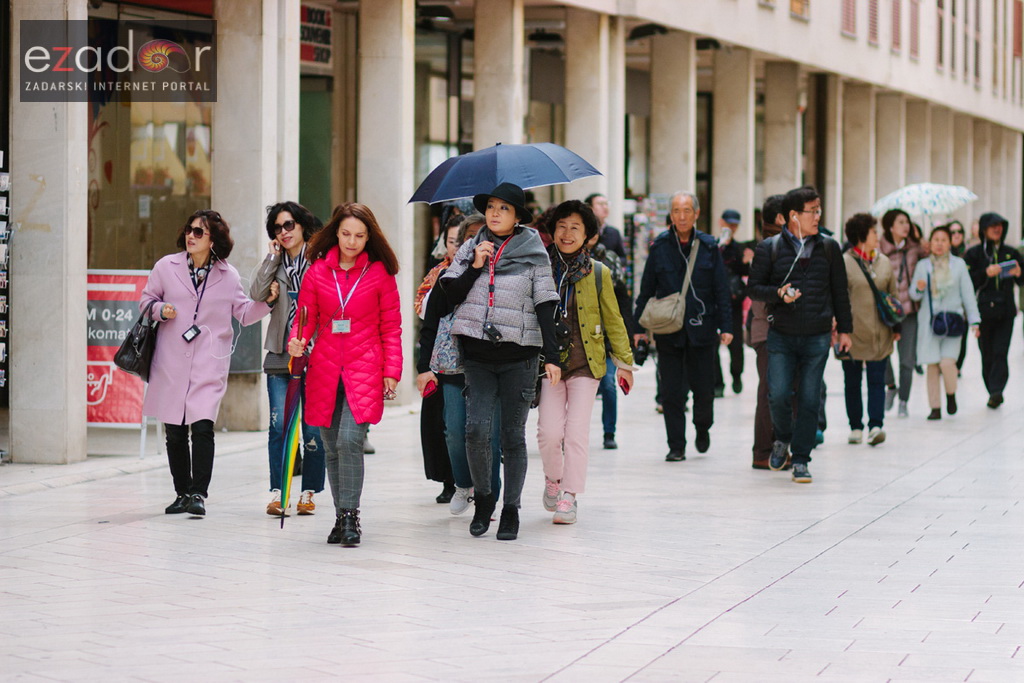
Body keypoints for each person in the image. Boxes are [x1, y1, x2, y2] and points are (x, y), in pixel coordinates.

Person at [439, 182, 559, 541]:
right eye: (491, 206)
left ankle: (511, 509)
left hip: (519, 354)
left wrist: (551, 356)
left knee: (511, 437)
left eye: (504, 208)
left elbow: (546, 302)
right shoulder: (473, 245)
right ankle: (485, 500)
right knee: (475, 430)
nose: (494, 213)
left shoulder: (535, 250)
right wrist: (476, 265)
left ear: (518, 216)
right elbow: (450, 294)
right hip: (477, 353)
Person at [141, 210, 272, 516]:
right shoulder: (166, 267)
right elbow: (146, 302)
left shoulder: (228, 276)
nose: (191, 236)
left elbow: (244, 313)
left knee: (202, 426)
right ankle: (181, 493)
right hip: (171, 359)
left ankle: (198, 493)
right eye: (190, 230)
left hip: (208, 361)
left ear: (214, 239)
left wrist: (268, 303)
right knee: (174, 430)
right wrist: (162, 310)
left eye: (199, 232)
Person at [288, 203, 402, 547]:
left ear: (370, 237)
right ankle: (341, 517)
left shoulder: (380, 273)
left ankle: (350, 515)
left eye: (360, 235)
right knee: (330, 446)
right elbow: (305, 318)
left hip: (364, 367)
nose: (352, 241)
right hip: (324, 368)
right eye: (347, 234)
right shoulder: (317, 272)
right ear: (336, 233)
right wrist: (298, 340)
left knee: (349, 440)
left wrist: (392, 372)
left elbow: (391, 327)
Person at [747, 186, 852, 484]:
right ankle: (782, 438)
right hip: (780, 334)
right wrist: (778, 293)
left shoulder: (829, 248)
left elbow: (839, 293)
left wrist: (845, 330)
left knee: (808, 399)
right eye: (812, 211)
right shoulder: (770, 248)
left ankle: (802, 459)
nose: (818, 216)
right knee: (777, 394)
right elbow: (753, 288)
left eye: (819, 210)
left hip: (817, 337)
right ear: (794, 216)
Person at [537, 200, 634, 525]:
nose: (567, 234)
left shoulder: (598, 273)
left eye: (575, 228)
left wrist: (625, 363)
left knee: (576, 433)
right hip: (549, 366)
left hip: (586, 364)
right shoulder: (539, 268)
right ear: (551, 232)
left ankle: (569, 496)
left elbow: (614, 319)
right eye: (561, 226)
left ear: (589, 236)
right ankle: (554, 478)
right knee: (550, 434)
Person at [634, 191, 733, 462]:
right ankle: (676, 445)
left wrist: (726, 326)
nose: (681, 215)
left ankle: (703, 427)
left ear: (697, 214)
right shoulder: (660, 246)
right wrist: (638, 327)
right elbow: (646, 289)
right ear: (671, 215)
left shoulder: (709, 246)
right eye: (677, 210)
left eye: (687, 210)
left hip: (702, 329)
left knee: (704, 390)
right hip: (669, 331)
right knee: (671, 392)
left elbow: (721, 290)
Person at [416, 213, 503, 515]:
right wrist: (422, 367)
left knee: (486, 434)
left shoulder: (504, 273)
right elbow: (430, 323)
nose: (479, 243)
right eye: (471, 237)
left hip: (490, 364)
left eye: (485, 236)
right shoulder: (447, 276)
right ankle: (462, 483)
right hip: (452, 364)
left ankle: (488, 495)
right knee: (453, 430)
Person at [250, 201, 325, 516]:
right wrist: (271, 258)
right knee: (279, 425)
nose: (284, 232)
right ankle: (279, 492)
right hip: (281, 354)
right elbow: (255, 293)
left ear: (302, 226)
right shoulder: (276, 263)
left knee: (312, 428)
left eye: (289, 225)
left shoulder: (321, 260)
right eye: (278, 228)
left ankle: (308, 492)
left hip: (317, 354)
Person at [910, 225, 981, 419]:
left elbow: (968, 294)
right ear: (930, 243)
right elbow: (913, 295)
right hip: (930, 323)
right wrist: (918, 287)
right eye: (936, 240)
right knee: (932, 365)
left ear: (950, 243)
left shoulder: (958, 265)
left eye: (943, 240)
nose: (939, 244)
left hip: (953, 322)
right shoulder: (923, 266)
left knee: (948, 362)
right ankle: (935, 407)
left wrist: (975, 320)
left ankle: (951, 394)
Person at [414, 214, 462, 505]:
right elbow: (422, 310)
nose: (456, 246)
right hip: (438, 357)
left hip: (470, 358)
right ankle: (448, 479)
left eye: (462, 241)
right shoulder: (436, 274)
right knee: (439, 422)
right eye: (452, 240)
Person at [841, 213, 899, 447]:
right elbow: (840, 298)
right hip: (852, 333)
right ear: (862, 235)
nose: (878, 236)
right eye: (874, 232)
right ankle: (855, 426)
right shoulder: (845, 263)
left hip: (880, 333)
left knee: (877, 380)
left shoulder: (883, 262)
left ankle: (876, 425)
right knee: (852, 381)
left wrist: (897, 325)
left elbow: (893, 296)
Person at [964, 212, 1024, 409]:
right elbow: (968, 282)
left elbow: (1021, 279)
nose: (997, 229)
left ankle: (997, 391)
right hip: (983, 311)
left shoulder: (1011, 252)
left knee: (1000, 351)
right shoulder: (974, 254)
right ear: (983, 230)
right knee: (987, 353)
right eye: (992, 226)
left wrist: (1019, 273)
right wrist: (984, 273)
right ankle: (992, 389)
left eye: (1000, 226)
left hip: (1006, 310)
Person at [586, 228, 635, 450]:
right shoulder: (563, 259)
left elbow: (621, 299)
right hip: (577, 338)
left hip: (604, 335)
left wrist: (626, 340)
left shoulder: (610, 260)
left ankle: (609, 432)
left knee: (608, 385)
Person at [879, 209, 927, 418]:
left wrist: (922, 239)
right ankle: (891, 385)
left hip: (909, 311)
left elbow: (933, 258)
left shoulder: (915, 248)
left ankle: (904, 401)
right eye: (901, 222)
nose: (905, 226)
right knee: (881, 354)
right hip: (885, 311)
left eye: (907, 222)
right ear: (890, 226)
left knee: (907, 359)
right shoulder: (878, 248)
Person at [748, 195, 785, 469]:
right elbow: (759, 294)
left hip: (773, 328)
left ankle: (773, 449)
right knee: (770, 391)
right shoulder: (769, 248)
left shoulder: (780, 245)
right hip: (768, 329)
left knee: (777, 390)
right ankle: (762, 451)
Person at [716, 209, 751, 396]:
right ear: (720, 222)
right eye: (728, 224)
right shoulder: (713, 246)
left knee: (736, 344)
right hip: (714, 302)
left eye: (735, 225)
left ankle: (736, 375)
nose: (731, 228)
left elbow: (744, 271)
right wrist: (721, 246)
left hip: (734, 301)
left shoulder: (739, 248)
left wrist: (745, 261)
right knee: (712, 344)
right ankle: (717, 383)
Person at [585, 193, 626, 259]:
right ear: (590, 207)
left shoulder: (614, 232)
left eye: (606, 204)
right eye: (600, 204)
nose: (605, 207)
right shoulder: (582, 230)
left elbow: (623, 257)